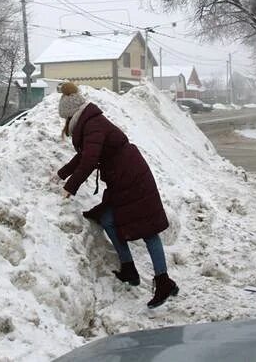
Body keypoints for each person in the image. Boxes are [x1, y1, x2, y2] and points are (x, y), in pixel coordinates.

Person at [55, 82, 179, 308]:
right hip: (122, 176)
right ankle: (129, 269)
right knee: (108, 219)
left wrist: (69, 187)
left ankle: (164, 281)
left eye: (65, 119)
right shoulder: (89, 123)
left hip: (131, 177)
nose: (65, 124)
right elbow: (84, 156)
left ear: (72, 113)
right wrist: (61, 174)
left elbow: (90, 161)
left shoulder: (93, 125)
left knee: (147, 228)